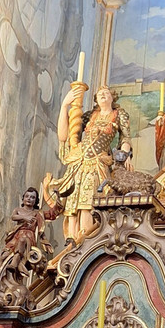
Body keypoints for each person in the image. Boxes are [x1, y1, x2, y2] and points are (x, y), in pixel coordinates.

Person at [51, 85, 132, 244]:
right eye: (100, 93)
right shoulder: (89, 115)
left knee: (88, 202)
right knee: (73, 203)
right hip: (79, 163)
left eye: (106, 93)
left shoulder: (118, 115)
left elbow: (126, 138)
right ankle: (72, 240)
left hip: (97, 164)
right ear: (95, 99)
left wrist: (125, 156)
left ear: (112, 97)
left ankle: (86, 240)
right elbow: (64, 136)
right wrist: (64, 106)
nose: (103, 95)